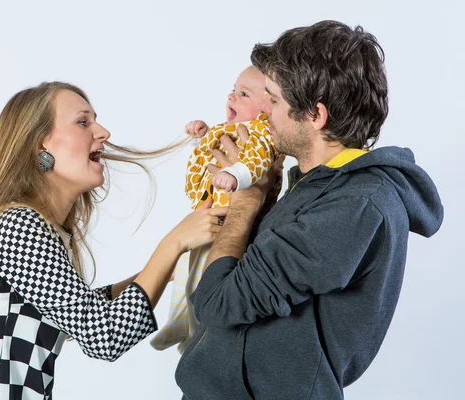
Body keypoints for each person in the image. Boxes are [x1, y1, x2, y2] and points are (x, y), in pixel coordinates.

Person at [175, 20, 443, 399]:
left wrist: (244, 205)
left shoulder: (355, 206)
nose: (263, 111)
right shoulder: (313, 183)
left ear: (316, 116)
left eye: (274, 100)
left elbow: (219, 303)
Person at [0, 81, 228, 399]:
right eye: (83, 122)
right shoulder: (17, 226)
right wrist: (173, 242)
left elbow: (80, 309)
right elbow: (105, 335)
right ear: (40, 145)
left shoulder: (27, 225)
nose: (103, 132)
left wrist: (168, 268)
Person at [151, 66, 280, 352]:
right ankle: (178, 322)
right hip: (209, 217)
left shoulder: (261, 135)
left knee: (205, 281)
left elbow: (255, 161)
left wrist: (237, 176)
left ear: (267, 108)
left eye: (243, 94)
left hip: (229, 224)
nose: (231, 96)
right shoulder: (230, 131)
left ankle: (196, 335)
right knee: (186, 270)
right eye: (233, 89)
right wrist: (202, 134)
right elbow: (212, 150)